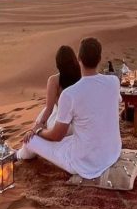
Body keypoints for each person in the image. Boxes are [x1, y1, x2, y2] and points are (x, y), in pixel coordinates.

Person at [15, 37, 122, 179]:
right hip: (112, 152)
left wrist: (39, 131)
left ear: (79, 58)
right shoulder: (113, 82)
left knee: (30, 140)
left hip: (83, 163)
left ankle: (16, 155)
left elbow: (57, 136)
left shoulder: (69, 94)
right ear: (100, 58)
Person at [26, 45, 81, 137]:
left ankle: (29, 143)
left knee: (44, 115)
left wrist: (38, 126)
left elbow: (49, 109)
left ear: (58, 63)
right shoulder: (82, 76)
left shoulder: (54, 80)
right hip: (80, 125)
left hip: (61, 128)